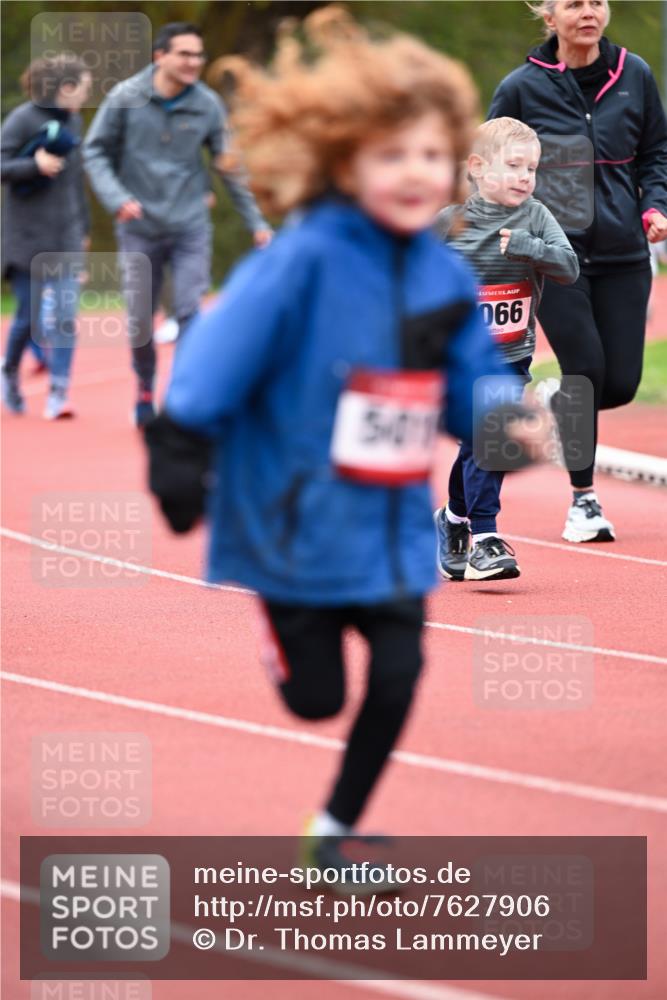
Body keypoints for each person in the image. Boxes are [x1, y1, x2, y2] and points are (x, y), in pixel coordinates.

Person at [144, 7, 543, 882]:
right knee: (316, 697)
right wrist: (177, 447)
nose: (413, 173)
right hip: (291, 516)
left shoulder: (440, 271)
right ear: (343, 161)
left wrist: (498, 421)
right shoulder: (304, 259)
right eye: (390, 155)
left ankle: (333, 831)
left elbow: (469, 375)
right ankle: (281, 631)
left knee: (399, 674)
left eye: (430, 156)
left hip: (389, 517)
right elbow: (216, 351)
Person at [488, 0, 667, 542]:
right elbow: (489, 159)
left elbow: (656, 151)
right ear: (549, 15)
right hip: (553, 255)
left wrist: (654, 204)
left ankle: (553, 399)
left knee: (620, 385)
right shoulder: (522, 86)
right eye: (573, 3)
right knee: (585, 369)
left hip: (625, 252)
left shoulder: (634, 73)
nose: (588, 12)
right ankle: (584, 501)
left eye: (597, 2)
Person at [82, 22, 273, 427]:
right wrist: (117, 199)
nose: (194, 62)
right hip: (138, 226)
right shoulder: (125, 98)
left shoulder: (207, 105)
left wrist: (257, 222)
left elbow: (230, 168)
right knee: (139, 322)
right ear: (160, 56)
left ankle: (182, 398)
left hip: (189, 225)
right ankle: (146, 389)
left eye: (199, 55)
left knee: (189, 312)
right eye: (185, 54)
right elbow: (95, 152)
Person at [433, 117, 579, 582]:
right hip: (456, 358)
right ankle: (481, 533)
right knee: (483, 440)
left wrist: (527, 248)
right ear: (477, 167)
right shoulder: (449, 221)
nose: (525, 177)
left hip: (512, 354)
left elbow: (569, 267)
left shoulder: (535, 215)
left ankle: (463, 524)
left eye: (531, 169)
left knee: (483, 441)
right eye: (514, 166)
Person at [1, 55, 91, 419]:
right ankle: (9, 370)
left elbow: (76, 182)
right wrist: (33, 166)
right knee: (31, 315)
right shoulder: (23, 118)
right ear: (65, 88)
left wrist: (83, 228)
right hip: (26, 236)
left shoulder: (74, 121)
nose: (86, 95)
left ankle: (59, 392)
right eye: (83, 87)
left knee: (67, 314)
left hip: (66, 234)